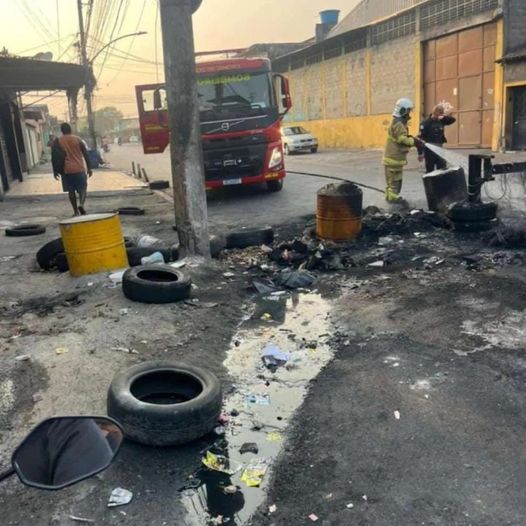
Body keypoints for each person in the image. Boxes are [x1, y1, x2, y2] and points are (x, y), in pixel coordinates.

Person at [382, 98, 424, 203]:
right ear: (403, 111)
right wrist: (414, 142)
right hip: (393, 158)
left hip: (395, 159)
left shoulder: (398, 122)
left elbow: (401, 136)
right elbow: (402, 139)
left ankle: (391, 200)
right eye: (408, 110)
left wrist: (413, 139)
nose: (409, 113)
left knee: (395, 183)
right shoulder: (399, 124)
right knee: (393, 184)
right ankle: (393, 206)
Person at [52, 123, 92, 216]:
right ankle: (81, 204)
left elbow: (54, 157)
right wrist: (89, 168)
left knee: (71, 191)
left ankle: (75, 211)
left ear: (62, 131)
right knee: (83, 188)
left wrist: (55, 171)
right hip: (79, 169)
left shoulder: (57, 141)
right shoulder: (78, 140)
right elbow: (85, 154)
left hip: (66, 170)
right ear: (70, 130)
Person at [418, 104, 456, 173]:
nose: (440, 116)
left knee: (442, 169)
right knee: (430, 170)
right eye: (440, 114)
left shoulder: (441, 120)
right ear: (435, 113)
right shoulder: (426, 123)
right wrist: (420, 153)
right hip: (429, 150)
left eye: (442, 114)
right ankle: (431, 183)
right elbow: (421, 138)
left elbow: (453, 120)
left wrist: (444, 118)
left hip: (440, 148)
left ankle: (441, 183)